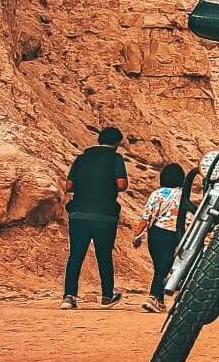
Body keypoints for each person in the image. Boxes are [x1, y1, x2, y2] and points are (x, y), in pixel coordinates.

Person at [61, 126, 128, 309]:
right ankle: (107, 296)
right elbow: (121, 184)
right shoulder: (115, 159)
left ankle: (69, 296)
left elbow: (68, 186)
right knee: (104, 255)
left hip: (79, 213)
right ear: (117, 143)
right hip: (105, 214)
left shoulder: (81, 159)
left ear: (99, 140)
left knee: (75, 255)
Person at [132, 163, 191, 313]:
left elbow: (147, 216)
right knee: (164, 268)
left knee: (159, 267)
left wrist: (137, 234)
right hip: (173, 234)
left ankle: (160, 301)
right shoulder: (183, 194)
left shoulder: (156, 193)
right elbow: (188, 217)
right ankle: (152, 297)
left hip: (155, 234)